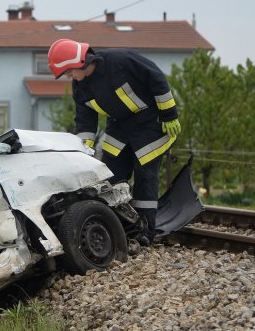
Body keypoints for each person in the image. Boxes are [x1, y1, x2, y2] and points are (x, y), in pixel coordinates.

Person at [47, 39, 181, 244]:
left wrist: (169, 114)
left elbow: (156, 78)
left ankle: (146, 231)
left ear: (79, 63)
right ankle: (122, 225)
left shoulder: (121, 60)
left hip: (150, 124)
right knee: (109, 175)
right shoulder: (80, 88)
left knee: (145, 174)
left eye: (68, 72)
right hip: (119, 126)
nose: (69, 77)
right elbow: (85, 122)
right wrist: (81, 152)